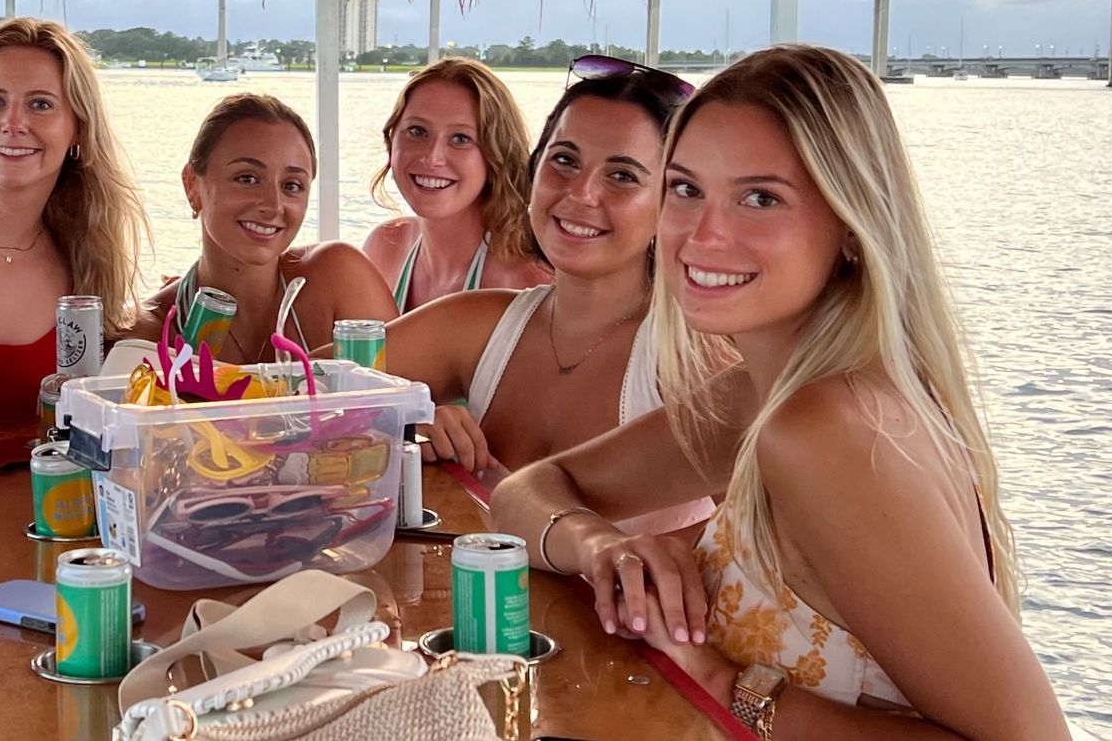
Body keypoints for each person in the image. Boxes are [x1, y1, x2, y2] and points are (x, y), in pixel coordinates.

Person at [492, 46, 1066, 739]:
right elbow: (529, 489)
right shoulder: (771, 394)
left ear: (853, 227)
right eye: (685, 188)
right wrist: (600, 546)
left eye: (759, 198)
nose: (703, 234)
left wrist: (730, 685)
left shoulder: (821, 429)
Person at [385, 60, 714, 535]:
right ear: (534, 170)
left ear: (672, 203)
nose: (580, 193)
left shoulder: (691, 361)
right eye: (564, 160)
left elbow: (779, 540)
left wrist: (684, 555)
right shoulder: (479, 323)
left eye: (621, 175)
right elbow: (296, 391)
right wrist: (406, 418)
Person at [0, 17, 149, 456]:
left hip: (41, 511)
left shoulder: (88, 256)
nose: (13, 123)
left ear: (77, 131)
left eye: (41, 105)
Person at [126, 94, 396, 360]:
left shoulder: (339, 278)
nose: (273, 205)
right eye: (247, 178)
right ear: (192, 185)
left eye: (291, 185)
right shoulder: (149, 333)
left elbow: (413, 395)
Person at [361, 58, 552, 312]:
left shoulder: (528, 282)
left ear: (497, 155)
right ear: (391, 139)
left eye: (461, 138)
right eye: (417, 131)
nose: (432, 157)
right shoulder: (384, 247)